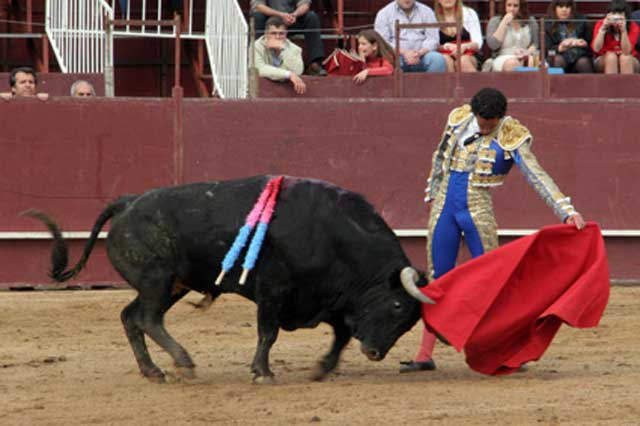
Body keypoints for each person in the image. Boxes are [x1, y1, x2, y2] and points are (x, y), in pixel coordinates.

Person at [399, 87, 585, 373]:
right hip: (446, 207)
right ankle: (425, 355)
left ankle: (505, 351)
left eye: (491, 124)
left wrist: (567, 211)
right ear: (474, 113)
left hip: (478, 209)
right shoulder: (459, 118)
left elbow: (536, 175)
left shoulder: (511, 133)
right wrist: (434, 192)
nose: (486, 128)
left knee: (494, 283)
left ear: (501, 117)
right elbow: (439, 157)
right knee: (437, 279)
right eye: (483, 122)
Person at [251, 0, 327, 76]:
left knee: (311, 17)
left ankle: (314, 64)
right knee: (257, 16)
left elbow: (305, 4)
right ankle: (258, 59)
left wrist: (294, 15)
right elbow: (258, 6)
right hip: (270, 21)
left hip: (291, 19)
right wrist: (280, 15)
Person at [374, 0, 446, 73]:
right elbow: (382, 42)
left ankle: (432, 85)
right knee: (389, 62)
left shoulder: (427, 11)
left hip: (423, 55)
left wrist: (419, 53)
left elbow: (433, 39)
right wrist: (404, 52)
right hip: (397, 55)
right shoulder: (384, 14)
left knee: (437, 59)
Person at [253, 16, 307, 95]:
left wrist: (283, 50)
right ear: (266, 33)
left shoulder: (295, 49)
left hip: (288, 93)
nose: (277, 37)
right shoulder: (256, 46)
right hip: (262, 91)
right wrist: (288, 74)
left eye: (281, 33)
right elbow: (259, 69)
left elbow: (298, 71)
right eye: (273, 33)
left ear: (286, 34)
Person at [485, 0, 539, 71]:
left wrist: (527, 53)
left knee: (536, 63)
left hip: (525, 55)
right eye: (509, 5)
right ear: (504, 6)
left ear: (521, 7)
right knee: (513, 64)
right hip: (503, 57)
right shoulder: (495, 21)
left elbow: (535, 44)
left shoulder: (530, 21)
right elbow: (493, 45)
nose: (512, 9)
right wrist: (504, 22)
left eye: (515, 6)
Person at [545, 0, 593, 73]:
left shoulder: (581, 20)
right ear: (555, 8)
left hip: (579, 55)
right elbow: (547, 49)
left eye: (567, 7)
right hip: (559, 55)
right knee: (557, 60)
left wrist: (583, 44)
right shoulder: (548, 23)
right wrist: (559, 48)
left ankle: (590, 84)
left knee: (583, 62)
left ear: (572, 8)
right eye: (561, 7)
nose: (564, 10)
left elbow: (590, 45)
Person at [591, 0, 639, 74]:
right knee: (611, 57)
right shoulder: (600, 23)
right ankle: (611, 85)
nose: (616, 17)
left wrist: (624, 31)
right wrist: (603, 29)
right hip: (604, 58)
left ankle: (627, 85)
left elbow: (627, 52)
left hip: (629, 58)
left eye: (619, 13)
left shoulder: (633, 26)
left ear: (626, 16)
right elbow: (596, 49)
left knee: (625, 58)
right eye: (613, 13)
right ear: (608, 15)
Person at [434, 0, 483, 73]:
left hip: (469, 54)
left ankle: (477, 84)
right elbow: (433, 44)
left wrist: (464, 47)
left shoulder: (469, 13)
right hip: (445, 53)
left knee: (462, 62)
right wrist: (446, 46)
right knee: (445, 60)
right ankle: (450, 84)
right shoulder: (432, 16)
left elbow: (478, 42)